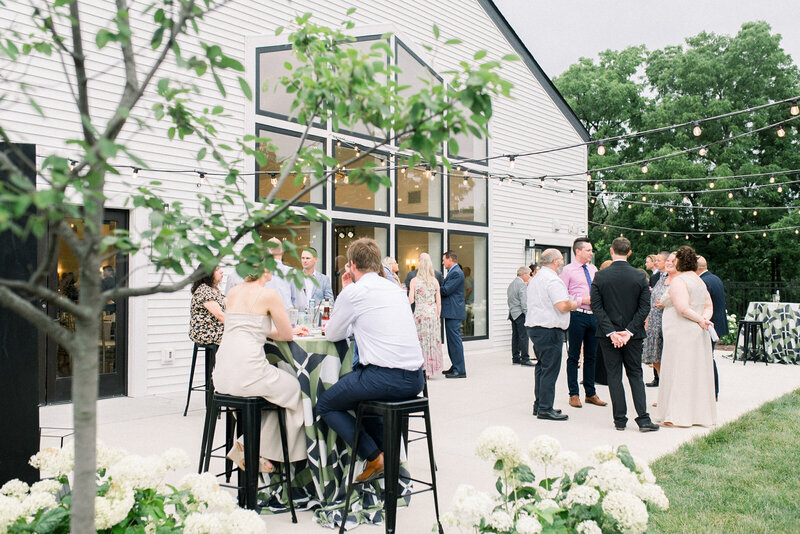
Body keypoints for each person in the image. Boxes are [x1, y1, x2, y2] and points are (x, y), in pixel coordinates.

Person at [316, 238, 424, 483]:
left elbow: (333, 333)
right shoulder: (397, 290)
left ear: (351, 265)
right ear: (377, 264)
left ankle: (375, 458)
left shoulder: (354, 292)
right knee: (363, 397)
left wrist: (345, 291)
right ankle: (392, 462)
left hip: (384, 377)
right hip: (415, 379)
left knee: (326, 404)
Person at [212, 266, 309, 472]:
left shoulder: (234, 291)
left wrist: (278, 331)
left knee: (273, 400)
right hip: (249, 373)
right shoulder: (269, 294)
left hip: (222, 374)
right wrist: (293, 330)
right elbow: (286, 335)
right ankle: (252, 448)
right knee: (295, 391)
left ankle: (250, 447)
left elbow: (248, 326)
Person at [590, 237, 659, 432]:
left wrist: (611, 332)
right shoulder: (639, 276)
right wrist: (629, 331)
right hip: (633, 336)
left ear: (612, 251)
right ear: (629, 252)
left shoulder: (601, 276)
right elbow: (645, 307)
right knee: (635, 374)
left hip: (608, 335)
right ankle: (643, 419)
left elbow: (597, 307)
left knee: (614, 376)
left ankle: (620, 420)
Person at [655, 246, 717, 427]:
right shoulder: (699, 281)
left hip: (681, 332)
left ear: (680, 262)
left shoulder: (679, 281)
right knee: (693, 372)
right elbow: (708, 306)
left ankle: (677, 415)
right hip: (696, 332)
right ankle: (695, 415)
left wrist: (700, 320)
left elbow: (682, 308)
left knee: (678, 371)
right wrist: (704, 319)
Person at [525, 249, 577, 421]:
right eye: (561, 259)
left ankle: (539, 404)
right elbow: (562, 305)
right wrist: (576, 303)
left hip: (536, 327)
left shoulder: (537, 278)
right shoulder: (553, 280)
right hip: (549, 329)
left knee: (541, 367)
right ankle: (545, 408)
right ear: (555, 261)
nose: (563, 262)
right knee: (550, 369)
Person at [560, 237, 606, 409]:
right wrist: (581, 300)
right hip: (577, 315)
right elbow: (562, 295)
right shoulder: (567, 271)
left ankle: (590, 393)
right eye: (588, 250)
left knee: (591, 356)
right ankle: (573, 394)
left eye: (591, 249)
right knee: (573, 356)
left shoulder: (593, 269)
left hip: (593, 316)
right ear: (577, 251)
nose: (591, 253)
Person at [642, 252, 676, 385]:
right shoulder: (660, 278)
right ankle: (663, 385)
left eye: (659, 260)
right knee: (655, 357)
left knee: (666, 357)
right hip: (654, 321)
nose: (656, 262)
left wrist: (667, 303)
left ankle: (668, 387)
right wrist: (647, 319)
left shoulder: (675, 279)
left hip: (666, 320)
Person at [408, 253, 443, 377]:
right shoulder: (435, 281)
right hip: (432, 315)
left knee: (420, 342)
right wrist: (437, 315)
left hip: (420, 315)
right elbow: (439, 302)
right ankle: (431, 369)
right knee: (432, 343)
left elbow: (411, 300)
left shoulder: (414, 281)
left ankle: (422, 370)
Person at [697, 255, 726, 400]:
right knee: (709, 356)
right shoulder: (715, 278)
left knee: (707, 358)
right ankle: (712, 391)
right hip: (717, 322)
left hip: (710, 324)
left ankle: (712, 391)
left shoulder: (703, 281)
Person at [441, 250, 467, 379]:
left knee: (455, 341)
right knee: (452, 341)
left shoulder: (456, 273)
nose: (443, 262)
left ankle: (460, 369)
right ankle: (455, 365)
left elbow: (446, 290)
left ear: (450, 259)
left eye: (444, 260)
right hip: (451, 311)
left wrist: (432, 287)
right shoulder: (453, 272)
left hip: (454, 312)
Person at [264, 237, 307, 312]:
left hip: (263, 318)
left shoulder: (259, 273)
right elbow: (300, 304)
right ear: (282, 251)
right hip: (286, 318)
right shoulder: (292, 272)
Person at [189, 265, 225, 347]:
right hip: (205, 331)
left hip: (215, 328)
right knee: (239, 336)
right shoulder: (204, 290)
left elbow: (230, 303)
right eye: (217, 270)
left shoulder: (214, 290)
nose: (221, 271)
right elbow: (220, 315)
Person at [507, 266, 535, 366]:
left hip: (512, 313)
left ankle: (515, 358)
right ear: (523, 274)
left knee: (515, 337)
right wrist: (528, 314)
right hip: (520, 314)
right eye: (529, 274)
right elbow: (524, 302)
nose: (530, 276)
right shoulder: (522, 285)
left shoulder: (512, 284)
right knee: (524, 337)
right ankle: (525, 359)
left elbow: (510, 299)